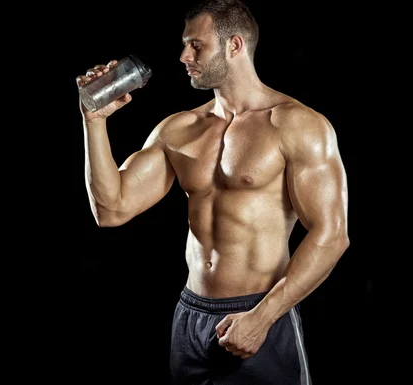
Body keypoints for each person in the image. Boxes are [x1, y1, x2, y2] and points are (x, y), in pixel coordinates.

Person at [75, 0, 349, 383]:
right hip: (191, 315)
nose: (184, 55)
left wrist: (263, 317)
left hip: (259, 313)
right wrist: (95, 122)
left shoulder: (296, 125)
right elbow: (111, 209)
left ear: (234, 46)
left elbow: (331, 236)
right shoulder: (179, 129)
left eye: (196, 45)